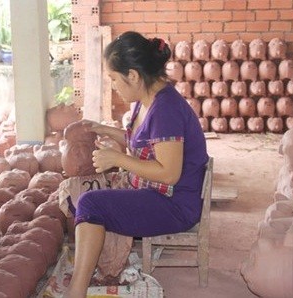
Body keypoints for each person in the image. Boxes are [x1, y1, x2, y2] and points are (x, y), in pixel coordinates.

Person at [64, 31, 209, 297]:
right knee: (83, 195)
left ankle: (76, 291)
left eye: (115, 79)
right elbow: (144, 142)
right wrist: (105, 130)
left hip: (174, 205)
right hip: (159, 194)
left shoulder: (166, 110)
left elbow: (169, 173)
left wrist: (119, 159)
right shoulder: (149, 100)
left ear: (133, 75)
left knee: (89, 203)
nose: (114, 87)